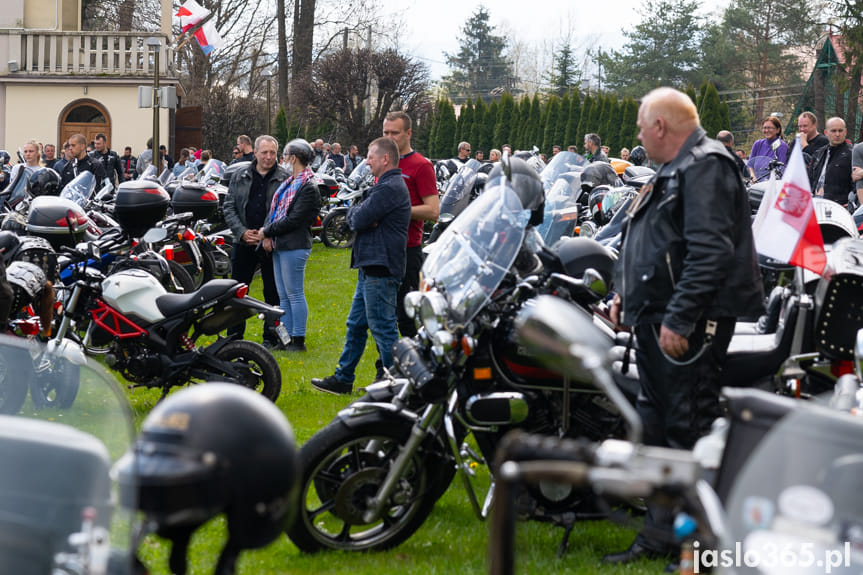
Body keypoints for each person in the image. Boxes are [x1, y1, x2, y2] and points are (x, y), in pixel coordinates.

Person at [605, 87, 763, 566]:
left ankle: (697, 551)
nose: (636, 134)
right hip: (659, 319)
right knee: (656, 429)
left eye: (640, 125)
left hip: (691, 325)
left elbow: (710, 251)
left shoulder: (706, 165)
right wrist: (624, 295)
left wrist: (681, 316)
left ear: (660, 127)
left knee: (687, 430)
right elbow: (659, 242)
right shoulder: (677, 168)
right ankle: (658, 537)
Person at [311, 137, 411, 395]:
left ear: (385, 159)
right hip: (370, 266)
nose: (366, 161)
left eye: (370, 156)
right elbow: (357, 213)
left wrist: (360, 215)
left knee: (383, 327)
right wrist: (360, 214)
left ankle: (395, 385)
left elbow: (360, 216)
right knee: (356, 325)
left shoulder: (390, 188)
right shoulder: (382, 186)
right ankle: (343, 379)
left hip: (381, 266)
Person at [223, 135, 288, 349]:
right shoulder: (240, 175)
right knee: (237, 291)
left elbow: (287, 212)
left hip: (270, 243)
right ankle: (234, 337)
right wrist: (241, 232)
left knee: (273, 292)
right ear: (256, 153)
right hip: (243, 242)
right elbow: (229, 207)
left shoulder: (285, 177)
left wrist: (267, 233)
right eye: (264, 152)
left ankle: (271, 337)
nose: (268, 157)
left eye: (272, 153)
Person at [260, 138, 320, 352]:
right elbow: (274, 212)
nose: (282, 160)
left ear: (293, 158)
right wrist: (268, 234)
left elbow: (294, 219)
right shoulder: (290, 183)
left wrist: (266, 232)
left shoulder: (308, 187)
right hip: (281, 244)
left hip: (295, 246)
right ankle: (286, 339)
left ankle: (298, 340)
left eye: (284, 156)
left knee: (294, 293)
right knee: (283, 294)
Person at [383, 110, 439, 338]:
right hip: (382, 248)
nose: (389, 137)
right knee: (380, 315)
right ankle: (384, 365)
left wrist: (396, 212)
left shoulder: (421, 165)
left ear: (409, 133)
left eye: (394, 133)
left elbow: (434, 210)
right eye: (385, 132)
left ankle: (412, 365)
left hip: (407, 249)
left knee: (405, 316)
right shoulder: (384, 162)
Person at [808, 117, 854, 206]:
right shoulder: (818, 153)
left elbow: (856, 183)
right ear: (826, 133)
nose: (837, 134)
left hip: (839, 206)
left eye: (840, 131)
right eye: (833, 131)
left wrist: (851, 202)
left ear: (845, 132)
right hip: (816, 203)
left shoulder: (852, 153)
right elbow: (810, 179)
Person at [747, 116, 788, 182]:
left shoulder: (782, 146)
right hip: (756, 184)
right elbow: (750, 164)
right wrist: (752, 176)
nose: (766, 130)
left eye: (769, 128)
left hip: (772, 185)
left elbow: (782, 169)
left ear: (777, 130)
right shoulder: (758, 144)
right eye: (764, 128)